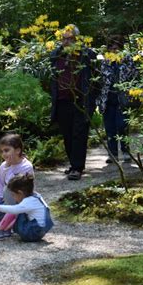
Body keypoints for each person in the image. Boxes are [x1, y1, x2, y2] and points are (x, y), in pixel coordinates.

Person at [50, 24, 98, 180]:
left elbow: (97, 79)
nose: (66, 42)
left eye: (70, 38)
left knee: (79, 133)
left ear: (77, 39)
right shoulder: (56, 55)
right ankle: (73, 165)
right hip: (62, 100)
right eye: (64, 39)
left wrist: (93, 98)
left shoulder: (87, 55)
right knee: (67, 134)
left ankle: (77, 167)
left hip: (81, 100)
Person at [97, 35, 138, 163]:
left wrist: (121, 63)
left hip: (123, 99)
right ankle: (112, 154)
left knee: (122, 126)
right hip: (107, 99)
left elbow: (133, 76)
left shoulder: (128, 61)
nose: (114, 51)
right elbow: (99, 80)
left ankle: (125, 151)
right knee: (110, 128)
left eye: (117, 48)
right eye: (112, 48)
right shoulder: (104, 62)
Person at [0, 133, 34, 231]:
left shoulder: (26, 167)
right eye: (2, 151)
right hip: (6, 202)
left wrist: (9, 168)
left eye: (7, 150)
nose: (4, 154)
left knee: (9, 188)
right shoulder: (3, 166)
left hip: (21, 202)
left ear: (17, 150)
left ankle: (16, 220)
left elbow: (23, 189)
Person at [0, 173, 53, 241]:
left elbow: (14, 209)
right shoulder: (36, 197)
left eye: (13, 195)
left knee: (15, 211)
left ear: (20, 193)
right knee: (20, 211)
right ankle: (6, 229)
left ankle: (0, 230)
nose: (13, 197)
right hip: (40, 231)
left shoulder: (28, 201)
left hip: (32, 232)